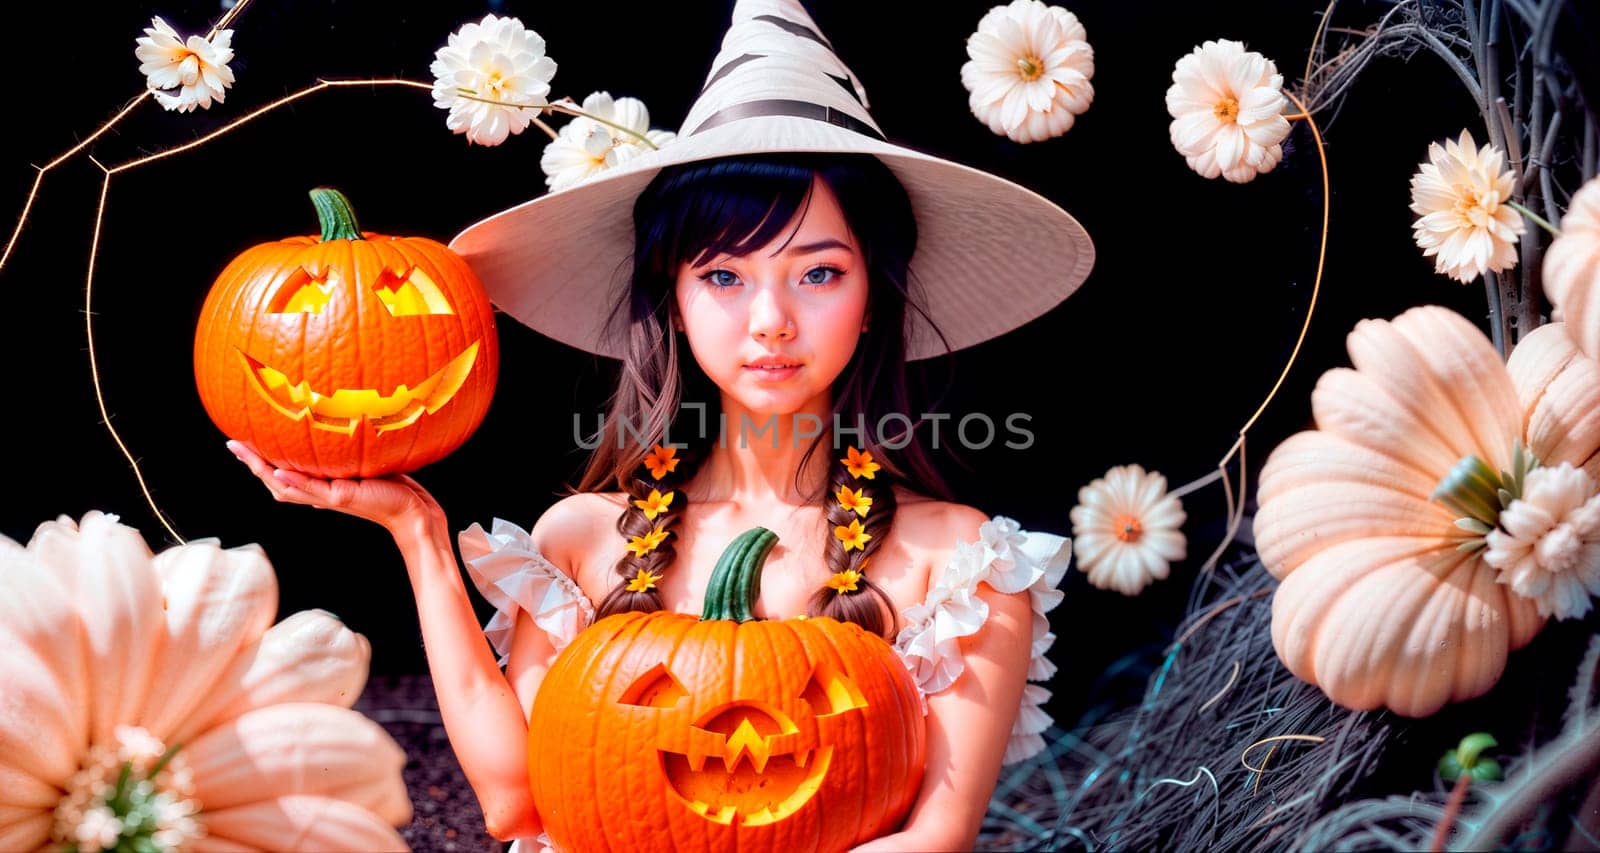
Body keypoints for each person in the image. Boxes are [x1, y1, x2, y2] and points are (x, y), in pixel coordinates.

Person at [229, 1, 1094, 849]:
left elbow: (935, 838)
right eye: (723, 276)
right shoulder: (583, 539)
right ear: (673, 303)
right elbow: (517, 805)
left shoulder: (965, 564)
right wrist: (417, 531)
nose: (770, 320)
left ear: (873, 298)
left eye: (818, 273)